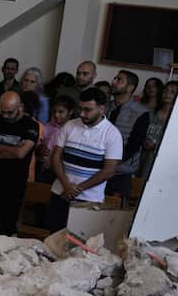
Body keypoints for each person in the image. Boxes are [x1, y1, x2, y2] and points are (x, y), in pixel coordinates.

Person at [48, 87, 122, 232]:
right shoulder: (70, 125)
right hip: (60, 192)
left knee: (79, 246)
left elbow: (109, 171)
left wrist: (77, 189)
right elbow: (56, 156)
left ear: (102, 109)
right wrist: (66, 184)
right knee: (53, 240)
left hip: (89, 199)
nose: (82, 114)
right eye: (80, 109)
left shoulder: (112, 134)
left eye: (87, 110)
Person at [0, 91, 39, 238]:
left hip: (14, 183)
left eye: (10, 113)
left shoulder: (31, 125)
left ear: (21, 107)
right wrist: (10, 151)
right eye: (2, 112)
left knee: (8, 226)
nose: (5, 116)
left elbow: (21, 154)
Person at [106, 70, 150, 203]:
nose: (114, 82)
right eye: (115, 78)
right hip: (97, 167)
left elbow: (134, 144)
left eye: (119, 80)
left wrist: (111, 164)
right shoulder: (105, 106)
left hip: (121, 172)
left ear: (130, 88)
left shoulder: (141, 112)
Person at [36, 95, 76, 183]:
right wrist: (41, 150)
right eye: (54, 111)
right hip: (42, 166)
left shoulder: (73, 130)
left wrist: (52, 163)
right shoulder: (48, 126)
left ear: (70, 112)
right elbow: (40, 145)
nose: (56, 115)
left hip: (60, 171)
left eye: (61, 112)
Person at [141, 82, 175, 179]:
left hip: (162, 162)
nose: (167, 94)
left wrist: (156, 145)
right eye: (165, 91)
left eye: (172, 92)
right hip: (142, 157)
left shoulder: (175, 119)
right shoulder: (150, 113)